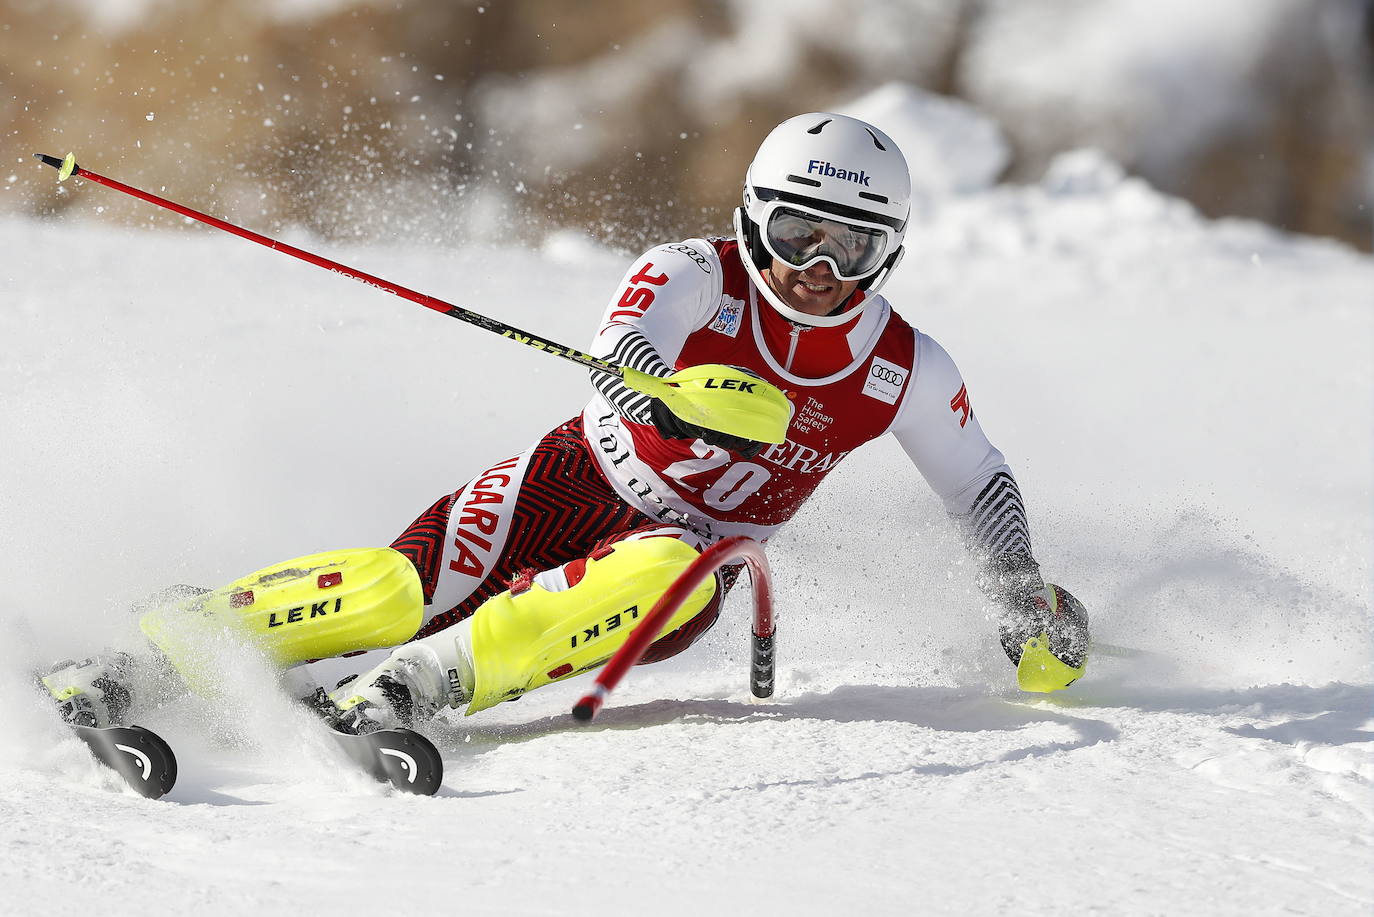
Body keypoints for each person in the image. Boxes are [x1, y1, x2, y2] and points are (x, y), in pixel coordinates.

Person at [43, 112, 1090, 732]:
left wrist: (1017, 593)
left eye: (849, 249)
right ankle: (165, 645)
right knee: (401, 585)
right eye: (796, 232)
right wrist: (659, 391)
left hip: (693, 556)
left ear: (888, 254)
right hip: (577, 474)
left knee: (664, 569)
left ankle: (425, 683)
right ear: (751, 217)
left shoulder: (903, 364)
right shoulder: (693, 272)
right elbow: (626, 340)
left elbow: (980, 484)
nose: (816, 271)